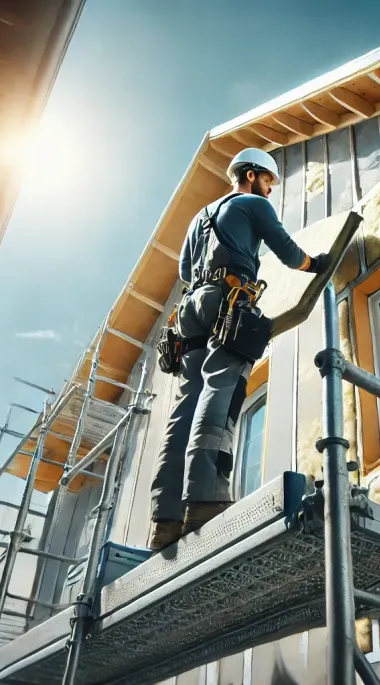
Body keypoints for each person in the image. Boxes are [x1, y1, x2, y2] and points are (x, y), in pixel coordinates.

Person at [147, 148, 329, 552]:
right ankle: (206, 499)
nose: (270, 189)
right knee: (222, 389)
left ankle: (165, 520)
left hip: (192, 310)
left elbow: (184, 272)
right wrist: (315, 264)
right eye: (267, 180)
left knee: (185, 406)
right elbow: (287, 251)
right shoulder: (252, 204)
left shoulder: (200, 217)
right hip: (227, 299)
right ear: (249, 175)